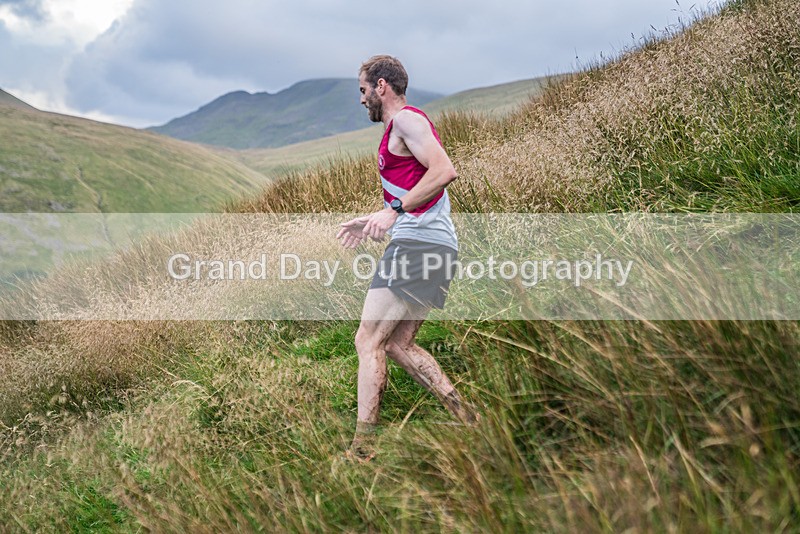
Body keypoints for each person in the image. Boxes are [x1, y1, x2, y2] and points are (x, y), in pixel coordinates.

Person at [337, 55, 477, 461]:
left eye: (363, 90)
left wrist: (393, 211)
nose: (361, 100)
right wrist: (376, 219)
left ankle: (362, 452)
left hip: (419, 245)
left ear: (381, 86)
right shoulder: (396, 130)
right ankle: (466, 417)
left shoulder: (407, 121)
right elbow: (417, 185)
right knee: (398, 344)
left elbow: (444, 170)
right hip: (431, 244)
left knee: (368, 340)